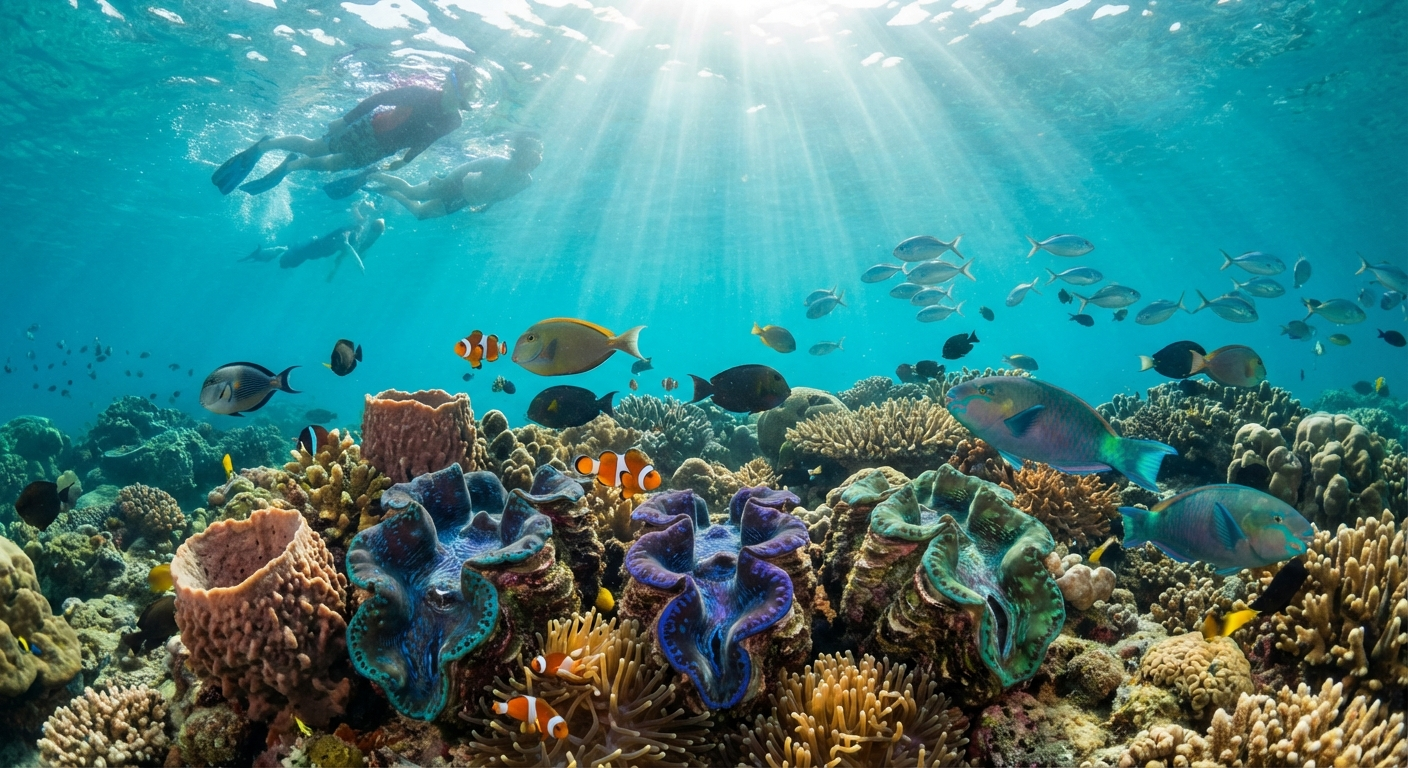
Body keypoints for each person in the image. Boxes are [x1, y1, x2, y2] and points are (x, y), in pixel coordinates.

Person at [211, 67, 474, 196]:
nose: (459, 103)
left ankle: (291, 166)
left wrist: (405, 160)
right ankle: (265, 145)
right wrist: (346, 120)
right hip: (369, 129)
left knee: (334, 167)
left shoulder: (454, 121)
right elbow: (378, 99)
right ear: (449, 86)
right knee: (316, 147)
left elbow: (427, 140)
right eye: (460, 94)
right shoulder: (420, 94)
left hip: (383, 148)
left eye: (464, 100)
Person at [367, 133, 542, 220]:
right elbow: (465, 168)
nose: (536, 161)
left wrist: (486, 207)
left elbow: (502, 196)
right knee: (413, 193)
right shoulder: (497, 162)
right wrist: (445, 181)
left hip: (465, 199)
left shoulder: (526, 181)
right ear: (521, 153)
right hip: (454, 183)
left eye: (538, 158)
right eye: (533, 156)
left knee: (420, 215)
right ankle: (373, 174)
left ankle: (391, 192)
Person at [245, 202, 385, 281]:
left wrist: (357, 264)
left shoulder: (346, 235)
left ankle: (262, 254)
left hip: (311, 248)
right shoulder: (344, 238)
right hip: (310, 248)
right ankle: (262, 254)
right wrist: (359, 265)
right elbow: (348, 249)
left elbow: (348, 248)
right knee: (288, 253)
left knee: (288, 252)